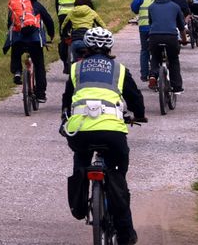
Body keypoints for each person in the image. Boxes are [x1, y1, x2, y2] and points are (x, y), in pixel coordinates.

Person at [61, 27, 146, 245]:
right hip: (112, 132)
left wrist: (65, 122)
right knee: (118, 178)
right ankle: (125, 235)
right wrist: (139, 115)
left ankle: (80, 203)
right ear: (110, 47)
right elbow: (135, 97)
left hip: (81, 132)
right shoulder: (119, 70)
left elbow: (67, 102)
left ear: (86, 47)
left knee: (80, 159)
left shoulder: (75, 69)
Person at [3, 0, 55, 101]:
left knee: (16, 53)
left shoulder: (16, 7)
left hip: (19, 39)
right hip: (35, 41)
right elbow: (49, 20)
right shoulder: (38, 5)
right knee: (39, 65)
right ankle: (41, 94)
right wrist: (51, 34)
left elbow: (9, 23)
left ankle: (17, 72)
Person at [147, 0, 187, 94]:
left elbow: (151, 23)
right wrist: (184, 40)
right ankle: (177, 87)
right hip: (171, 37)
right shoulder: (175, 6)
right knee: (173, 59)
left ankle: (152, 75)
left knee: (155, 56)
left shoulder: (151, 7)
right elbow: (181, 27)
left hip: (154, 36)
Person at [60, 0, 106, 69]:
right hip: (89, 42)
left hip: (75, 41)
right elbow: (102, 26)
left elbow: (64, 27)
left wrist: (65, 36)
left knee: (75, 65)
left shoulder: (71, 13)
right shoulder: (92, 12)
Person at [56, 0, 88, 70]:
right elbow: (89, 3)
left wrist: (60, 16)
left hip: (63, 15)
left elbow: (56, 3)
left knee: (63, 39)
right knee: (80, 36)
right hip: (77, 16)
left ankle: (65, 64)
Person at [130, 0, 161, 81]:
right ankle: (158, 71)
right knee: (159, 49)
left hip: (144, 27)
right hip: (159, 28)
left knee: (144, 50)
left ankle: (144, 75)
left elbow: (134, 8)